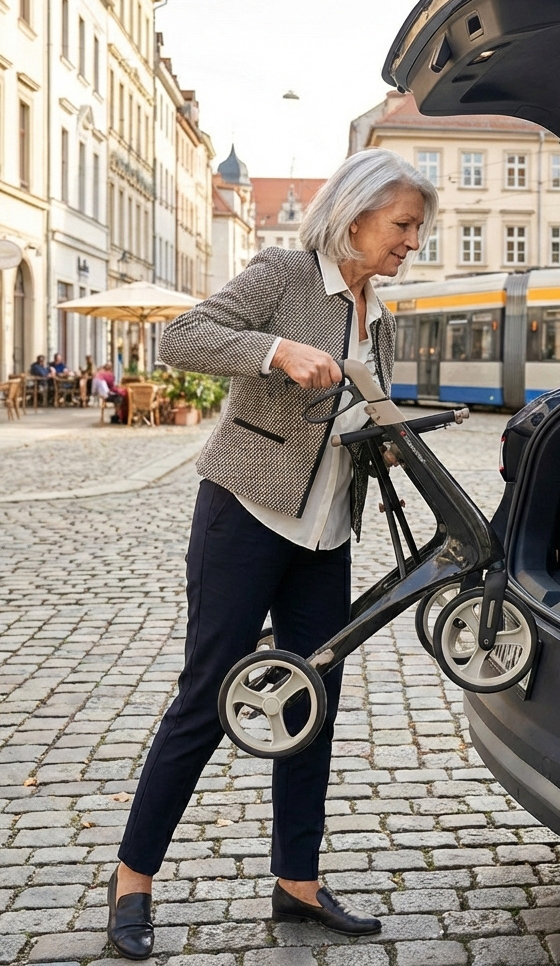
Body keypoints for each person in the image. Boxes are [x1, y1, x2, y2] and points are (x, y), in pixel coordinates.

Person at [106, 149, 437, 960]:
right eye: (402, 228)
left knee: (309, 707)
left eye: (416, 232)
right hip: (247, 515)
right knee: (204, 699)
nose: (410, 244)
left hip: (325, 532)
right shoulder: (287, 274)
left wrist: (390, 439)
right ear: (356, 215)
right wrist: (274, 351)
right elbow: (184, 337)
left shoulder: (375, 308)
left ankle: (297, 882)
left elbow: (361, 402)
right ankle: (132, 882)